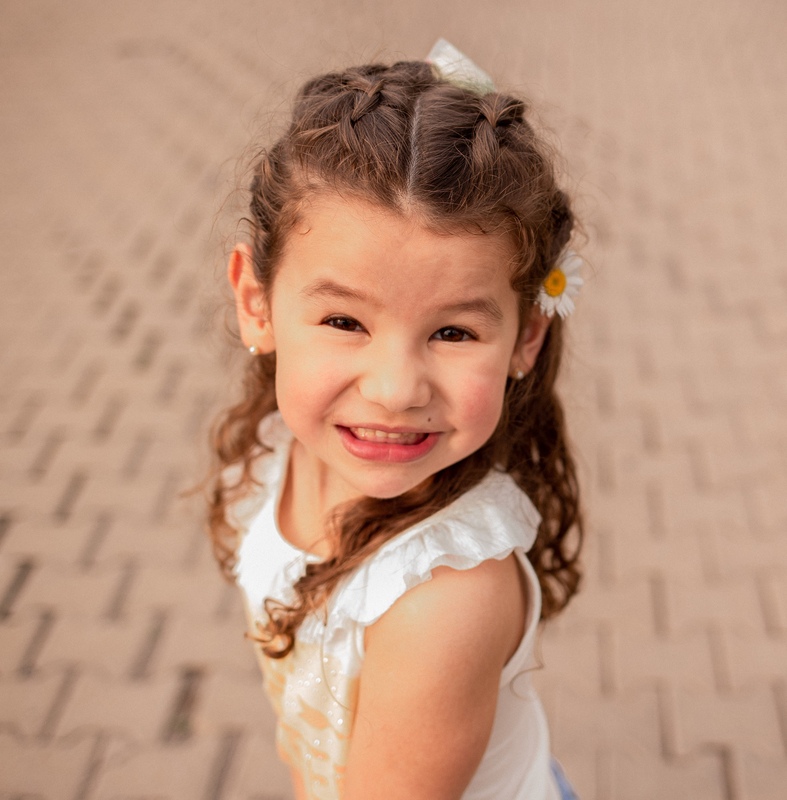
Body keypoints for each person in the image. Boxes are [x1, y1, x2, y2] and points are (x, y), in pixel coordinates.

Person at [206, 41, 585, 800]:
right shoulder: (277, 453)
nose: (393, 390)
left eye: (453, 333)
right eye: (345, 320)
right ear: (257, 300)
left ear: (525, 339)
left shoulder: (443, 599)